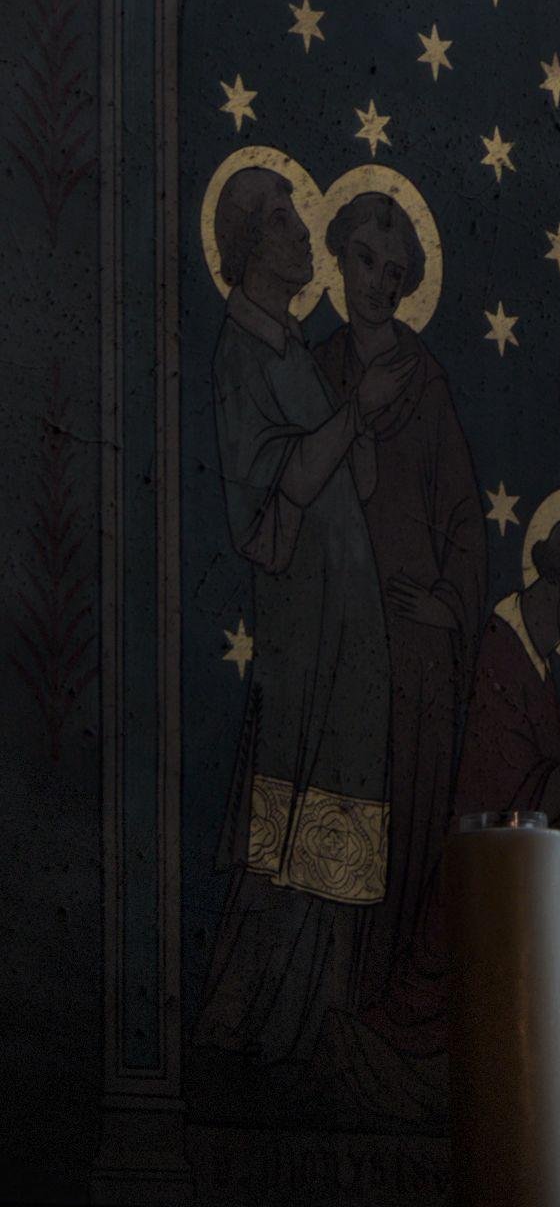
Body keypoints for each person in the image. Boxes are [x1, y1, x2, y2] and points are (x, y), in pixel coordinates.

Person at [195, 163, 398, 1066]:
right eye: (282, 220)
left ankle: (317, 1019)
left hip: (345, 623)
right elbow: (284, 490)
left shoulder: (290, 344)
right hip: (302, 628)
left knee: (340, 809)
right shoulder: (243, 352)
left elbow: (342, 481)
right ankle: (241, 1021)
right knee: (282, 822)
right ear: (247, 244)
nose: (301, 233)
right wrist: (357, 411)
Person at [364, 515, 560, 1068]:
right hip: (475, 913)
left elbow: (547, 806)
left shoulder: (535, 666)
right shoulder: (498, 653)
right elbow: (508, 805)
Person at [314, 185, 483, 1018]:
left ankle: (376, 1000)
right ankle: (330, 1004)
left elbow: (460, 512)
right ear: (339, 258)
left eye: (395, 269)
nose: (378, 280)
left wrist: (449, 603)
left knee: (408, 819)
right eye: (365, 260)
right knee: (341, 812)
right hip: (343, 639)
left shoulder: (427, 379)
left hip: (414, 644)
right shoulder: (317, 372)